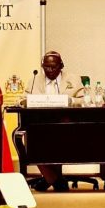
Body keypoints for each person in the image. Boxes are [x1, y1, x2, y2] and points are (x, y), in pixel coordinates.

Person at [28, 51, 84, 192]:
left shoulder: (73, 79)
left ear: (61, 66)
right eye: (46, 67)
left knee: (57, 138)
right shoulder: (34, 80)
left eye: (53, 67)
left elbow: (84, 100)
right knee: (33, 139)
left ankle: (50, 179)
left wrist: (69, 100)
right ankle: (54, 179)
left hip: (66, 123)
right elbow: (25, 100)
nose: (50, 70)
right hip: (40, 123)